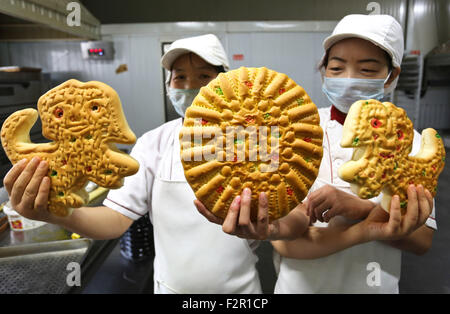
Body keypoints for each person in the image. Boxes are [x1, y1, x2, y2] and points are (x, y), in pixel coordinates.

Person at [3, 34, 264, 294]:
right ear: (168, 85)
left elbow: (285, 216)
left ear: (226, 83)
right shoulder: (154, 143)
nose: (190, 86)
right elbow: (115, 219)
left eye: (204, 76)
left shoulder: (256, 141)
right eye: (180, 77)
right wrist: (55, 213)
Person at [195, 14, 436, 293]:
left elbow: (422, 241)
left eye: (367, 70)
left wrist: (363, 209)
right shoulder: (294, 129)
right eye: (336, 68)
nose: (348, 79)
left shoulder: (410, 143)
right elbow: (289, 227)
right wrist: (271, 228)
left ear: (391, 76)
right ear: (323, 70)